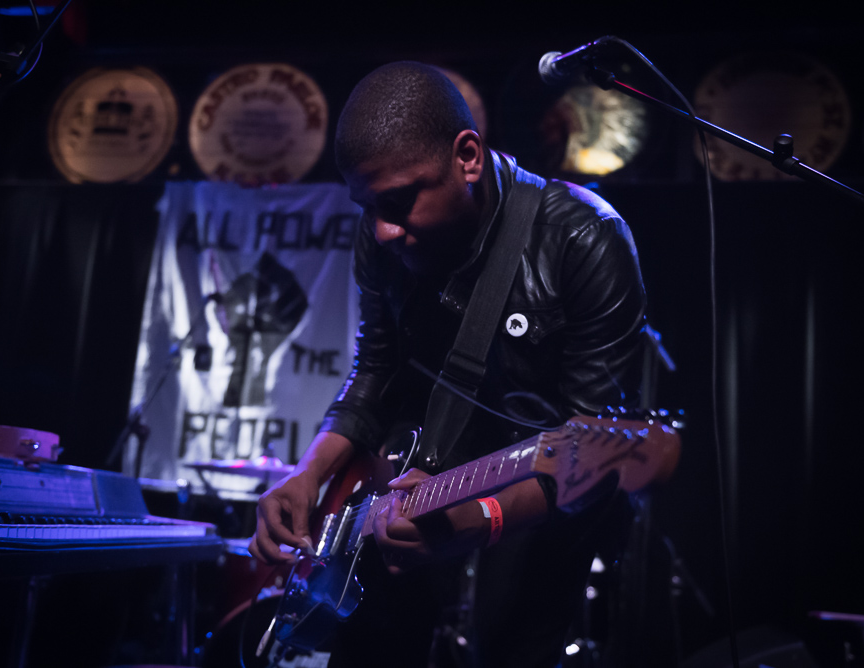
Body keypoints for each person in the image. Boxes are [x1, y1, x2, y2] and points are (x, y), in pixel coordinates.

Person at [249, 61, 647, 667]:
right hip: (402, 497)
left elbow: (593, 451)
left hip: (524, 505)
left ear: (467, 156)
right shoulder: (381, 231)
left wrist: (478, 516)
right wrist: (308, 475)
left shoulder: (585, 240)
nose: (380, 230)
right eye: (365, 205)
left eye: (398, 200)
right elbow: (375, 368)